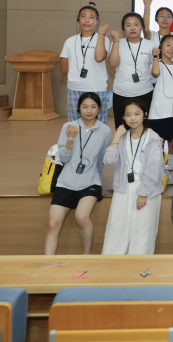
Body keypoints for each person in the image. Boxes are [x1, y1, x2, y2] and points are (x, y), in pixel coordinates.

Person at [45, 92, 112, 255]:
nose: (89, 110)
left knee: (81, 217)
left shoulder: (105, 131)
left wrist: (98, 181)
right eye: (85, 106)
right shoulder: (68, 127)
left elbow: (101, 159)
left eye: (93, 107)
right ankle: (47, 262)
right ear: (78, 108)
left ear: (99, 108)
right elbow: (63, 158)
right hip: (65, 182)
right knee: (53, 223)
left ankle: (87, 256)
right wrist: (70, 139)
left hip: (90, 183)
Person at [102, 99, 165, 255]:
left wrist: (143, 193)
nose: (133, 118)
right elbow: (109, 161)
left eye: (136, 114)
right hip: (123, 188)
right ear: (123, 117)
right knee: (117, 231)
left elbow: (154, 169)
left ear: (145, 114)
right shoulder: (123, 137)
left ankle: (139, 267)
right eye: (128, 115)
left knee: (141, 232)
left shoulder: (153, 138)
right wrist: (116, 137)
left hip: (146, 190)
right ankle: (112, 265)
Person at [60, 4, 112, 124]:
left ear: (97, 21)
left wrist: (101, 35)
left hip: (97, 88)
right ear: (78, 19)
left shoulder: (103, 39)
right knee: (75, 125)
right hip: (74, 88)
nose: (87, 20)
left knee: (98, 125)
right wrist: (76, 78)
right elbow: (63, 68)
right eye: (83, 16)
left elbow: (99, 57)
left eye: (91, 17)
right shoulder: (70, 41)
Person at [142, 0, 173, 65]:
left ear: (172, 19)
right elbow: (146, 29)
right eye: (161, 16)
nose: (165, 19)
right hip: (154, 71)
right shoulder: (152, 35)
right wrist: (147, 6)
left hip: (171, 71)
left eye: (168, 16)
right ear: (156, 18)